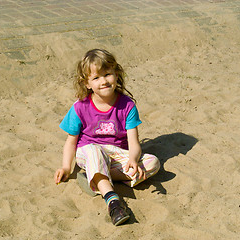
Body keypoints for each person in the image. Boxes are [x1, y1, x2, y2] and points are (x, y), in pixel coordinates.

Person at [54, 49, 160, 226]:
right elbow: (71, 141)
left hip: (116, 153)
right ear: (87, 83)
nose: (103, 81)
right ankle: (113, 201)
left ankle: (94, 176)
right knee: (94, 151)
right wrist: (66, 167)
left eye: (107, 74)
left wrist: (133, 159)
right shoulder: (80, 107)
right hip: (89, 151)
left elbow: (134, 143)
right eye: (96, 78)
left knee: (152, 163)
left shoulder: (127, 106)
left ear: (116, 74)